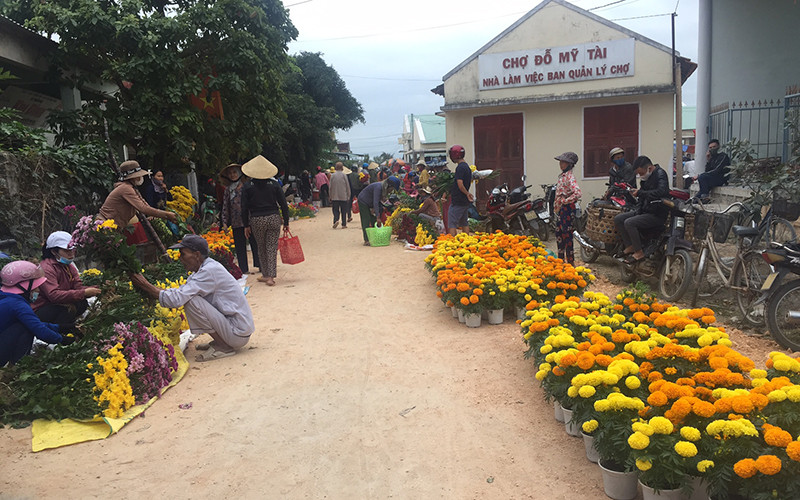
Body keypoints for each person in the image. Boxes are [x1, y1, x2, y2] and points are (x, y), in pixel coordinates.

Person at [131, 235, 255, 362]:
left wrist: (144, 285)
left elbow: (178, 298)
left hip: (237, 333)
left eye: (183, 254)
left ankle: (224, 346)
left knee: (191, 301)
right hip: (237, 329)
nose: (180, 258)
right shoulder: (204, 268)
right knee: (189, 297)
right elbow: (181, 291)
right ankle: (221, 341)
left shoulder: (208, 271)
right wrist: (152, 289)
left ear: (196, 255)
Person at [1, 261, 75, 366]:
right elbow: (39, 330)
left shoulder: (7, 298)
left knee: (23, 326)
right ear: (25, 286)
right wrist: (62, 339)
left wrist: (60, 327)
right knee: (25, 328)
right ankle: (19, 365)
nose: (38, 290)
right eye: (36, 286)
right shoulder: (17, 305)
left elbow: (36, 325)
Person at [241, 156, 290, 286]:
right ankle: (271, 277)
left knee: (261, 247)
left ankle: (265, 274)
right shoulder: (274, 184)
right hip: (273, 217)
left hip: (257, 219)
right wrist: (286, 222)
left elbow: (244, 207)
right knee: (272, 247)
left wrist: (246, 225)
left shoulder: (247, 186)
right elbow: (283, 204)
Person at [32, 231, 101, 324]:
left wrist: (98, 289)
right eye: (66, 251)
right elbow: (54, 295)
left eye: (72, 250)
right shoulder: (46, 268)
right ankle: (61, 331)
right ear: (54, 251)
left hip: (60, 304)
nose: (71, 254)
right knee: (65, 310)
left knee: (82, 303)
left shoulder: (69, 266)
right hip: (44, 307)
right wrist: (84, 293)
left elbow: (78, 287)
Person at [614, 156, 670, 263]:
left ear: (649, 168)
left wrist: (640, 192)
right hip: (645, 210)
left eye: (641, 173)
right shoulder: (645, 180)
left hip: (656, 213)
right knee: (619, 219)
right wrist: (637, 209)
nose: (640, 176)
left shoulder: (660, 174)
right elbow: (642, 197)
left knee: (630, 223)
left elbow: (661, 192)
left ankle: (639, 252)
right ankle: (630, 246)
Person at [97, 160, 178, 226]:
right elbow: (143, 208)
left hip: (112, 226)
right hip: (105, 225)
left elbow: (144, 204)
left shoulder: (131, 188)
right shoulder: (125, 188)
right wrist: (166, 215)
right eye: (139, 175)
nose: (141, 178)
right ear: (135, 177)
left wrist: (163, 214)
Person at [220, 163, 260, 275]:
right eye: (230, 173)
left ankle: (260, 265)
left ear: (239, 172)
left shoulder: (247, 186)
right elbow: (225, 207)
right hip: (236, 222)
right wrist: (224, 222)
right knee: (240, 246)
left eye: (234, 172)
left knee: (255, 243)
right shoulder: (228, 190)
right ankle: (243, 269)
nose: (232, 175)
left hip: (250, 219)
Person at [553, 152, 583, 264]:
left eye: (564, 162)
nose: (561, 164)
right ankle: (561, 260)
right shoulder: (562, 176)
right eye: (560, 162)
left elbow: (578, 193)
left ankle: (570, 263)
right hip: (561, 210)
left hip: (567, 209)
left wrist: (565, 201)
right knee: (559, 234)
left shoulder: (569, 177)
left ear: (570, 164)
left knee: (567, 236)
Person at [357, 176, 400, 246]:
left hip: (371, 202)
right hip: (363, 201)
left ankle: (374, 237)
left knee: (374, 220)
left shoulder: (383, 189)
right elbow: (376, 202)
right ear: (389, 186)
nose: (391, 191)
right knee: (366, 220)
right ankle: (366, 240)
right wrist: (378, 216)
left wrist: (392, 204)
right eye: (392, 189)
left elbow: (382, 200)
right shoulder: (378, 187)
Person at [447, 144, 473, 236]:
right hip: (464, 201)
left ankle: (452, 243)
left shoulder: (460, 168)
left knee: (452, 223)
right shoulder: (467, 167)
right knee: (464, 222)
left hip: (458, 200)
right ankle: (466, 240)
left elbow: (460, 184)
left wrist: (467, 193)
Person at [329, 162, 352, 229]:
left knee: (335, 210)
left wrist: (330, 196)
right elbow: (347, 186)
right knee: (343, 211)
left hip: (334, 196)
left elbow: (330, 187)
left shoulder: (332, 175)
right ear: (342, 168)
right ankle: (344, 224)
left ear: (335, 168)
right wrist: (348, 195)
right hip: (343, 196)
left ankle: (336, 220)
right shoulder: (344, 175)